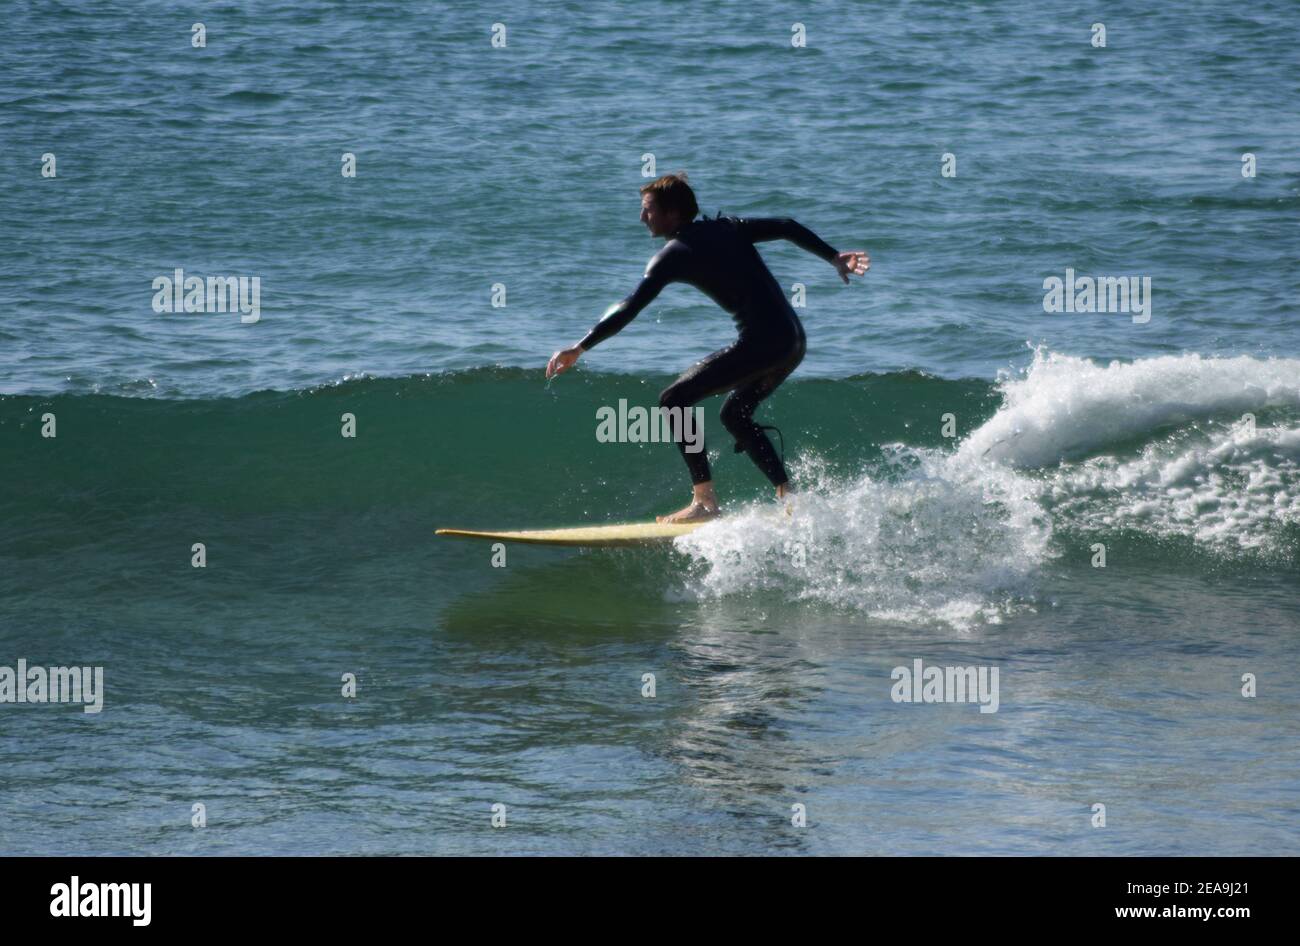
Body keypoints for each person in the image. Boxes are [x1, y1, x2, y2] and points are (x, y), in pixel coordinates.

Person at [546, 172, 869, 523]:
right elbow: (787, 226)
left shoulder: (673, 255)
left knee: (673, 400)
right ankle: (789, 497)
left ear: (672, 213)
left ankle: (705, 503)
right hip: (792, 341)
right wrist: (833, 256)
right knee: (734, 415)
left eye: (648, 210)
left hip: (763, 343)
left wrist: (580, 347)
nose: (642, 218)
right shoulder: (730, 227)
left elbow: (629, 307)